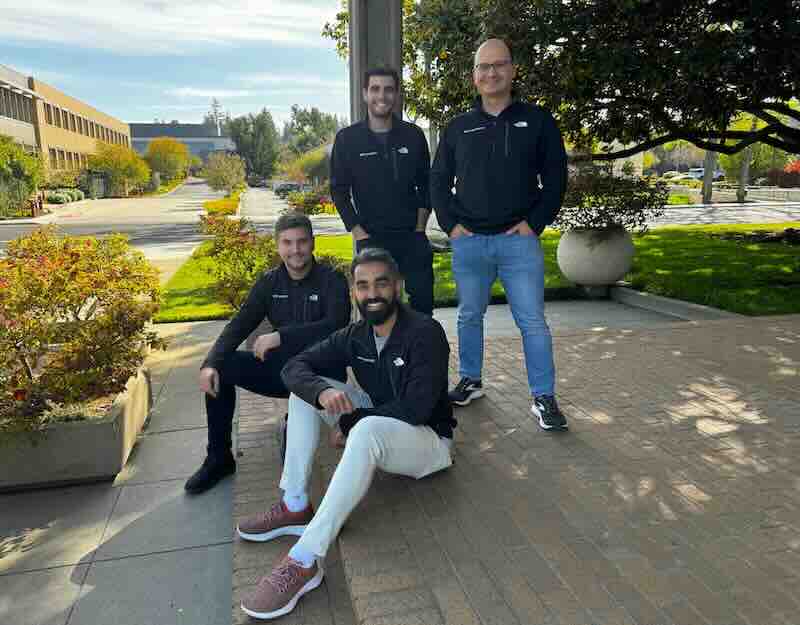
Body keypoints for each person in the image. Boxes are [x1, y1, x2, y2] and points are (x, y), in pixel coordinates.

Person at [237, 248, 456, 620]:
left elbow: (416, 408)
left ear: (398, 286)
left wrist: (351, 422)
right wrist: (322, 393)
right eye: (363, 285)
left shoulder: (424, 332)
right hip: (380, 423)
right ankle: (293, 503)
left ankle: (305, 558)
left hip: (429, 442)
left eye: (381, 283)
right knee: (306, 391)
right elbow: (295, 367)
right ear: (354, 292)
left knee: (366, 426)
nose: (372, 293)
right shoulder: (357, 335)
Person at [430, 38, 569, 431]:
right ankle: (471, 380)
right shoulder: (457, 127)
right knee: (469, 316)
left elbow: (556, 177)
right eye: (484, 67)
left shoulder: (539, 121)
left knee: (532, 322)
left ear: (513, 70)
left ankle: (543, 397)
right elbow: (438, 180)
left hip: (518, 243)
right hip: (469, 242)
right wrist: (451, 226)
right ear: (475, 77)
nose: (491, 73)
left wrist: (534, 223)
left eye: (499, 65)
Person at [184, 213, 351, 494]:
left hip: (320, 377)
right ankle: (219, 458)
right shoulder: (269, 282)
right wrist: (209, 363)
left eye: (301, 242)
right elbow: (239, 325)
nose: (295, 250)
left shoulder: (331, 280)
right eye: (287, 242)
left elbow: (335, 325)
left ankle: (295, 436)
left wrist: (281, 335)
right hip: (281, 372)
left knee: (291, 453)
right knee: (222, 369)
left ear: (313, 243)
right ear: (278, 245)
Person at [330, 66, 435, 315]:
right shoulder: (347, 139)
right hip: (371, 238)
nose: (382, 95)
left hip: (411, 236)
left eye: (388, 89)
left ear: (397, 94)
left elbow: (426, 184)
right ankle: (378, 355)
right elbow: (339, 190)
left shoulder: (413, 135)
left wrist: (420, 228)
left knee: (422, 305)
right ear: (365, 94)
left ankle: (419, 353)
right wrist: (358, 234)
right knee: (376, 309)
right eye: (375, 89)